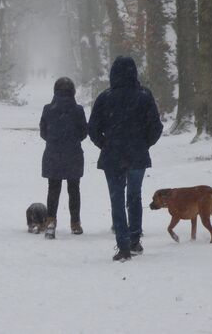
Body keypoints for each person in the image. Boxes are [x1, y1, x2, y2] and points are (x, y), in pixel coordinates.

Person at [88, 56, 163, 261]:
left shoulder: (105, 97)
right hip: (137, 154)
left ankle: (123, 246)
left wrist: (105, 144)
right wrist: (143, 143)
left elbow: (92, 128)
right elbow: (156, 127)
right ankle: (135, 239)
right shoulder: (144, 96)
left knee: (117, 199)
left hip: (113, 155)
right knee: (135, 196)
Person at [39, 77, 88, 239]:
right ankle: (75, 223)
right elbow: (83, 133)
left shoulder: (48, 109)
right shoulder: (78, 110)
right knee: (74, 189)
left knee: (53, 188)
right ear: (73, 91)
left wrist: (54, 141)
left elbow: (43, 132)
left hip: (53, 154)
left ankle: (51, 221)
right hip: (73, 154)